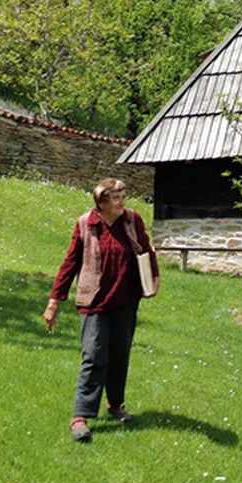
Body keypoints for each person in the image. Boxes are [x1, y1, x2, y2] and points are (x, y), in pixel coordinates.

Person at [43, 177, 159, 442]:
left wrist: (153, 280)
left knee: (120, 354)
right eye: (116, 198)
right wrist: (54, 300)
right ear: (101, 202)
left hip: (125, 300)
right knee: (94, 356)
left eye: (123, 196)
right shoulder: (86, 223)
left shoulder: (132, 220)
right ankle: (80, 416)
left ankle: (115, 405)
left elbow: (147, 250)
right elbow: (70, 262)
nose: (122, 202)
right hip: (94, 301)